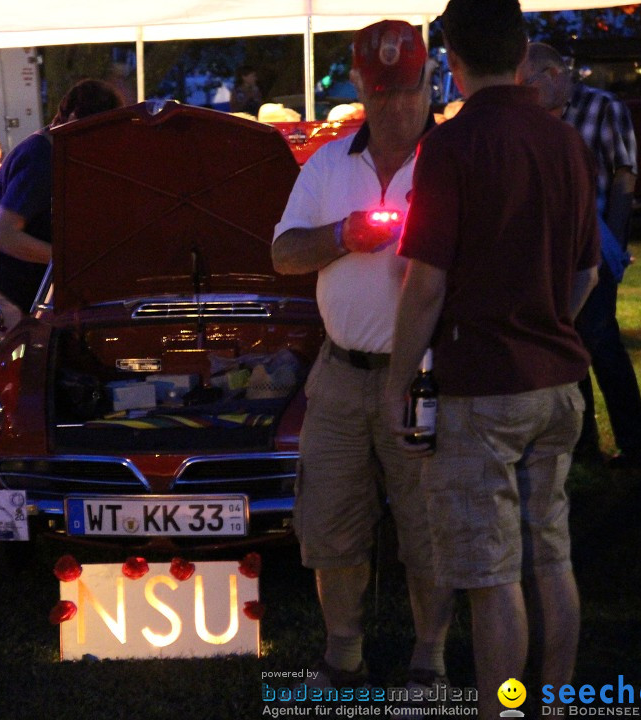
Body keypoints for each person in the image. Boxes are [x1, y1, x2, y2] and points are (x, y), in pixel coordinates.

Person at [382, 1, 599, 716]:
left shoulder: (450, 145)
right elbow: (587, 269)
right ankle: (556, 703)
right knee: (552, 557)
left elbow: (426, 282)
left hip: (481, 386)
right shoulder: (563, 139)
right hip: (559, 380)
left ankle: (503, 708)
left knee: (492, 574)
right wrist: (549, 322)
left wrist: (395, 382)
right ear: (523, 48)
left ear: (451, 56)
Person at [271, 20, 455, 693]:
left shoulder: (450, 158)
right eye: (382, 93)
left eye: (409, 91)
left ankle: (428, 658)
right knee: (330, 521)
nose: (398, 107)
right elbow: (283, 253)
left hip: (428, 379)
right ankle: (342, 653)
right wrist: (344, 235)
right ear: (358, 87)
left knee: (426, 524)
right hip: (343, 373)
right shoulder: (327, 165)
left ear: (430, 82)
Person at [519, 42, 641, 471]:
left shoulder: (603, 107)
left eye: (529, 81)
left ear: (555, 74)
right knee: (572, 343)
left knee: (599, 342)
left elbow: (624, 175)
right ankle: (584, 444)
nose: (524, 89)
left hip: (593, 245)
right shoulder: (534, 118)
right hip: (550, 253)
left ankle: (633, 448)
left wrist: (610, 244)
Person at [0, 79, 122, 314]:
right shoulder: (41, 159)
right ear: (74, 122)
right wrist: (72, 261)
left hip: (25, 289)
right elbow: (2, 235)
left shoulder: (59, 154)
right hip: (7, 295)